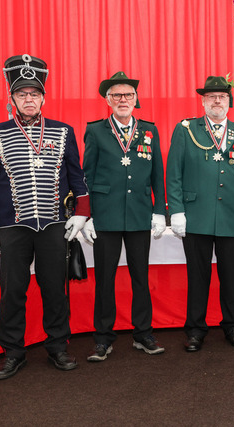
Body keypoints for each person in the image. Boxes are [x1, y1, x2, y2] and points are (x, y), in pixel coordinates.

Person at [0, 54, 89, 379]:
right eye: (22, 93)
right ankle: (13, 352)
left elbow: (77, 176)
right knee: (13, 290)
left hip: (54, 224)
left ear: (43, 97)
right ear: (12, 98)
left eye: (35, 93)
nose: (29, 99)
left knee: (55, 288)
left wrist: (82, 214)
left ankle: (57, 346)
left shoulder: (63, 131)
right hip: (11, 225)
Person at [167, 76, 234, 352]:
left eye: (222, 96)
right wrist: (177, 211)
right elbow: (174, 173)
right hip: (196, 216)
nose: (217, 101)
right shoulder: (186, 130)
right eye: (211, 97)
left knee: (231, 276)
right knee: (198, 277)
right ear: (203, 101)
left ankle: (233, 326)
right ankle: (195, 330)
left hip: (232, 216)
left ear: (229, 101)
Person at [82, 72, 166, 361]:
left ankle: (143, 334)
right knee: (105, 279)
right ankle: (103, 338)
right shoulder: (96, 131)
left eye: (128, 95)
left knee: (140, 277)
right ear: (108, 100)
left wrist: (160, 211)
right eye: (116, 95)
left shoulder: (149, 130)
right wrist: (87, 215)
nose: (122, 100)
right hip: (105, 216)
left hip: (140, 214)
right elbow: (87, 174)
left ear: (135, 99)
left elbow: (157, 174)